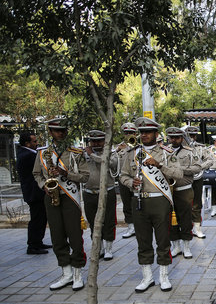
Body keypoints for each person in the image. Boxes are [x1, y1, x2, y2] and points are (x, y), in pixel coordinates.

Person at [119, 117, 182, 293]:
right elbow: (122, 175)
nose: (144, 135)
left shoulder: (166, 152)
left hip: (159, 200)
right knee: (143, 240)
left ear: (156, 133)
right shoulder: (132, 153)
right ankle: (147, 277)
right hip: (139, 200)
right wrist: (131, 183)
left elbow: (178, 174)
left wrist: (159, 164)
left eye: (148, 132)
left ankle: (164, 276)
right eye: (142, 132)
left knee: (162, 239)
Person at [33, 118, 89, 291]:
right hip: (51, 197)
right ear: (50, 132)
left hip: (70, 197)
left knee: (75, 236)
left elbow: (85, 176)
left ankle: (78, 273)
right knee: (57, 236)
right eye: (57, 130)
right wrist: (44, 186)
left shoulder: (76, 153)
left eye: (63, 130)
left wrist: (66, 173)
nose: (61, 133)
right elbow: (36, 173)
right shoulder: (42, 153)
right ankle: (66, 274)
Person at [166, 127, 203, 259]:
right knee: (171, 219)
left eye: (177, 137)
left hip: (184, 189)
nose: (174, 140)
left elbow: (198, 167)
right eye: (171, 137)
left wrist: (179, 169)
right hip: (168, 191)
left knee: (186, 219)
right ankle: (175, 246)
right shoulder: (164, 151)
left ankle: (186, 247)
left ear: (182, 138)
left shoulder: (190, 151)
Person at [83, 129, 119, 260]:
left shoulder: (111, 153)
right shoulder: (83, 154)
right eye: (93, 141)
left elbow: (110, 163)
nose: (96, 143)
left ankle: (109, 248)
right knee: (93, 222)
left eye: (99, 141)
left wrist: (92, 154)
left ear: (105, 141)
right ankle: (100, 248)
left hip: (107, 191)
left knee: (109, 220)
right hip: (89, 192)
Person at [16, 131, 51, 255]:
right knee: (37, 219)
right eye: (34, 141)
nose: (37, 143)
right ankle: (33, 245)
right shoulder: (27, 155)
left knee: (41, 218)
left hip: (36, 192)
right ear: (27, 143)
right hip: (34, 193)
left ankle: (38, 242)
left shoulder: (28, 153)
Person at [182, 125, 213, 238]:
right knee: (182, 204)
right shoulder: (178, 147)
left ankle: (197, 228)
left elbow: (210, 159)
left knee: (196, 203)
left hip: (196, 178)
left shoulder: (200, 148)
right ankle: (184, 229)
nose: (192, 138)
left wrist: (200, 167)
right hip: (182, 178)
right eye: (189, 135)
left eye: (194, 135)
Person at [118, 122, 138, 238]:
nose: (129, 134)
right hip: (124, 179)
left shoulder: (139, 147)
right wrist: (117, 151)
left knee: (138, 203)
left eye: (131, 132)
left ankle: (140, 224)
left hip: (136, 178)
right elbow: (114, 165)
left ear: (135, 134)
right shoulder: (119, 148)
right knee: (126, 203)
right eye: (126, 133)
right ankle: (131, 226)